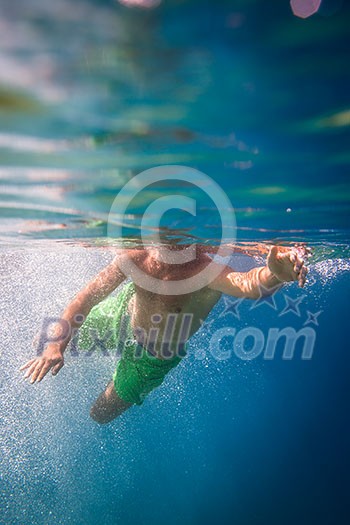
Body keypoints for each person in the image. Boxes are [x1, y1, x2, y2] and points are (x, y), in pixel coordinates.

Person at [20, 243, 308, 424]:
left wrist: (275, 275)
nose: (164, 241)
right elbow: (84, 300)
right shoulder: (134, 256)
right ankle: (58, 355)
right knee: (45, 340)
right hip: (121, 313)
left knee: (100, 415)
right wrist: (55, 345)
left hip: (153, 357)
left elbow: (247, 284)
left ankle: (114, 371)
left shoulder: (206, 269)